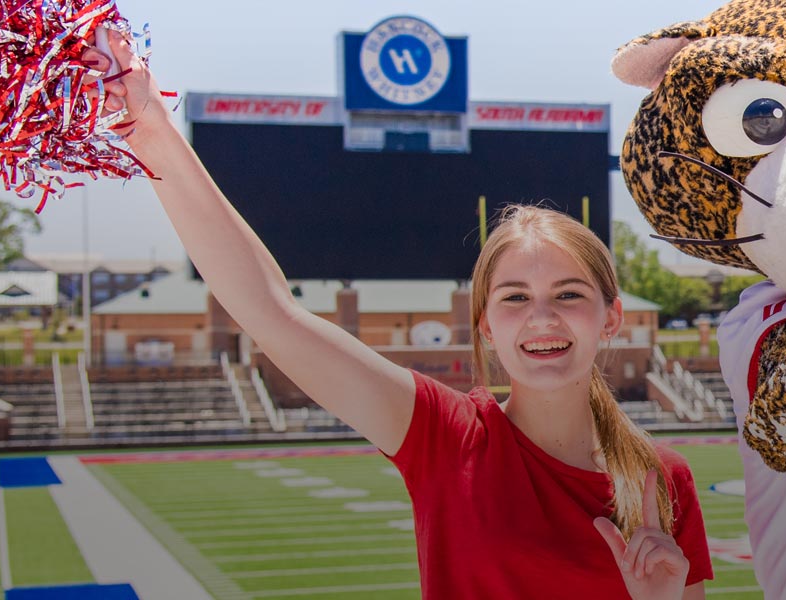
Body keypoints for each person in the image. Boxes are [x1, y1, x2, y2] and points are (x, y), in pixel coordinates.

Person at [87, 34, 711, 600]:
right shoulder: (444, 437)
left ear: (611, 317)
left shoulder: (662, 483)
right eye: (515, 297)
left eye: (569, 295)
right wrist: (151, 129)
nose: (542, 318)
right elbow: (270, 313)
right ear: (486, 324)